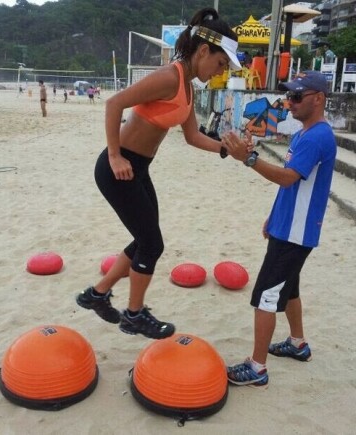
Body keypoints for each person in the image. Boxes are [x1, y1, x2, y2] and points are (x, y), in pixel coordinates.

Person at [76, 7, 242, 340]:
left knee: (144, 238)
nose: (220, 72)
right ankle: (134, 315)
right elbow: (114, 104)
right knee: (152, 244)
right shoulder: (170, 77)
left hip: (138, 168)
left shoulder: (190, 88)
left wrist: (227, 150)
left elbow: (193, 136)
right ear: (204, 51)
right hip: (118, 168)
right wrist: (114, 155)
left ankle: (96, 295)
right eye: (221, 64)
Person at [224, 71, 337, 386]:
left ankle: (257, 368)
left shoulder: (317, 136)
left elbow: (288, 177)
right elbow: (291, 184)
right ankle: (298, 343)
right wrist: (273, 218)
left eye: (297, 97)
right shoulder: (304, 133)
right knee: (290, 289)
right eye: (289, 96)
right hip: (288, 227)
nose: (290, 102)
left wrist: (248, 159)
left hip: (295, 234)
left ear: (318, 98)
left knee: (266, 297)